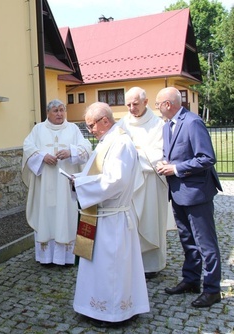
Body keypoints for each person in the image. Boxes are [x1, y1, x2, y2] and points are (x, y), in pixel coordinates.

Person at [72, 102, 149, 327]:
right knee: (97, 266)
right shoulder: (107, 141)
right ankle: (93, 305)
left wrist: (82, 186)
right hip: (99, 214)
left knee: (111, 268)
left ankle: (113, 313)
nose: (90, 131)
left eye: (91, 126)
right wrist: (78, 183)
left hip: (113, 218)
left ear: (104, 120)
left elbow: (115, 181)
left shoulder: (121, 143)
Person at [155, 87, 223, 308]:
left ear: (168, 104)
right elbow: (170, 154)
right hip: (177, 192)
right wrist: (164, 163)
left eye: (158, 104)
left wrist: (175, 169)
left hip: (197, 193)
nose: (156, 108)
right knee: (187, 241)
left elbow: (206, 158)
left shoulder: (193, 123)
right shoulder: (167, 127)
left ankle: (212, 289)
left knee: (206, 244)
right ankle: (191, 280)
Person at [22, 99, 92, 265]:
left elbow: (86, 146)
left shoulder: (73, 129)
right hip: (44, 183)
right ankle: (45, 258)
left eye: (62, 110)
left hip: (65, 185)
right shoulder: (38, 129)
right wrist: (42, 156)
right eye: (55, 110)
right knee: (45, 215)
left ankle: (65, 258)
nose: (60, 114)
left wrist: (71, 152)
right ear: (48, 113)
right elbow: (28, 147)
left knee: (65, 215)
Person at [117, 87, 174, 279]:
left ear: (146, 102)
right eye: (128, 105)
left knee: (151, 221)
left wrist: (134, 153)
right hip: (130, 183)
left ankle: (152, 266)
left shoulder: (158, 125)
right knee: (131, 223)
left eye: (135, 104)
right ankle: (132, 262)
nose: (131, 108)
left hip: (150, 182)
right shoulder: (122, 123)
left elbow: (161, 154)